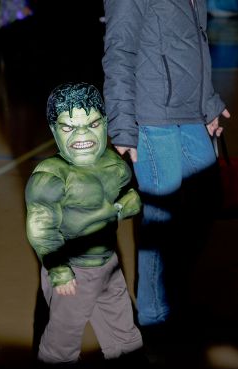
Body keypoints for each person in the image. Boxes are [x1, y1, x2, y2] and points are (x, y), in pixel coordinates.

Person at [102, 0, 230, 327]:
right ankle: (154, 315)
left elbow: (196, 45)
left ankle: (171, 292)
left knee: (207, 200)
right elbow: (119, 52)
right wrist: (122, 128)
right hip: (152, 117)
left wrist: (209, 103)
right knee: (161, 216)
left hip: (188, 114)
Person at [25, 82, 143, 363]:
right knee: (61, 344)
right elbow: (41, 227)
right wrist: (59, 270)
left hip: (109, 264)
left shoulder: (112, 162)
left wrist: (129, 203)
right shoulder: (51, 176)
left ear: (104, 123)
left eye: (92, 123)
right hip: (73, 272)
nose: (82, 134)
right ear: (54, 130)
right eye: (69, 127)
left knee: (125, 335)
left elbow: (128, 193)